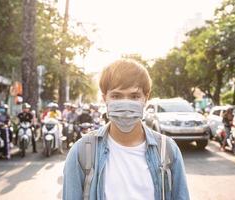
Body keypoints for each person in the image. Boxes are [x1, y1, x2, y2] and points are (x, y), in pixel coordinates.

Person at [63, 59, 189, 200]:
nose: (126, 103)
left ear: (145, 98)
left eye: (134, 96)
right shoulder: (81, 152)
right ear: (105, 99)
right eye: (116, 96)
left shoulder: (168, 150)